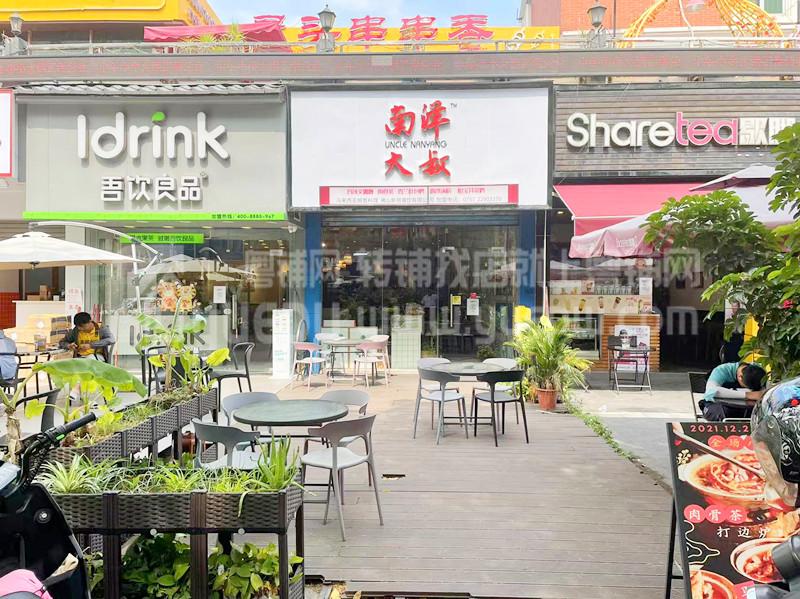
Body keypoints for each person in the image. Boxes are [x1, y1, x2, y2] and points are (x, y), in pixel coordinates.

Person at [701, 361, 767, 421]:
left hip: (745, 405)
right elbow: (711, 391)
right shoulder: (722, 370)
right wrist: (748, 394)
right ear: (740, 377)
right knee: (726, 413)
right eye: (747, 387)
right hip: (715, 405)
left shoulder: (758, 368)